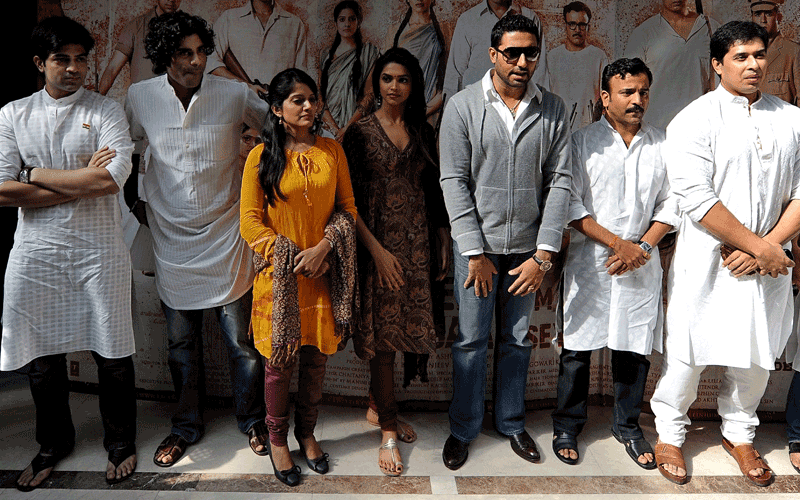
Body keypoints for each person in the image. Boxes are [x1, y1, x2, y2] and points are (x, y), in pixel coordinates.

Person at [651, 21, 800, 487]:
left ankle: (739, 434)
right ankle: (670, 433)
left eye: (759, 55)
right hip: (710, 261)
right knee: (688, 352)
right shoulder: (694, 119)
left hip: (767, 261)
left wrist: (767, 248)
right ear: (717, 64)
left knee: (757, 356)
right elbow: (696, 198)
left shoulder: (791, 118)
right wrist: (759, 246)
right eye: (741, 56)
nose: (754, 64)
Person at [124, 11, 270, 467]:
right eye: (184, 53)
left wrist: (262, 184)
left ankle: (252, 422)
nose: (195, 61)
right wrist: (137, 212)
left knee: (242, 344)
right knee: (181, 346)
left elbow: (278, 127)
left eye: (202, 51)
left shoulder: (233, 93)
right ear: (164, 55)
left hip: (227, 233)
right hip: (170, 240)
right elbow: (125, 154)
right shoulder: (139, 96)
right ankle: (185, 426)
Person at [0, 17, 136, 490]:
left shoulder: (107, 110)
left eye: (81, 58)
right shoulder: (13, 114)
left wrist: (33, 172)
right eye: (62, 59)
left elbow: (109, 178)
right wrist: (72, 183)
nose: (74, 67)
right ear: (40, 63)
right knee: (40, 357)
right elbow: (1, 189)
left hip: (99, 250)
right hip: (37, 252)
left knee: (112, 352)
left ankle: (120, 443)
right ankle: (53, 443)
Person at [439, 14, 571, 470]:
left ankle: (512, 423)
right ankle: (463, 428)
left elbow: (560, 182)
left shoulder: (553, 108)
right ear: (493, 54)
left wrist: (543, 254)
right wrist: (473, 251)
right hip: (477, 248)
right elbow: (453, 181)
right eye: (511, 52)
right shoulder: (462, 106)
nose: (520, 61)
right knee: (472, 340)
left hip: (526, 252)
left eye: (529, 53)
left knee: (516, 340)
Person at [552, 57, 678, 469]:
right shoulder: (582, 142)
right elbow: (570, 202)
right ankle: (568, 423)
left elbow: (672, 202)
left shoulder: (663, 144)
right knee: (577, 349)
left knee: (633, 349)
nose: (637, 99)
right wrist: (617, 244)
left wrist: (640, 246)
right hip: (592, 262)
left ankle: (627, 426)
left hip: (641, 263)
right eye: (627, 92)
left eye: (643, 91)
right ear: (604, 97)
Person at [240, 68, 358, 487]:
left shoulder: (332, 151)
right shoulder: (260, 157)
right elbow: (250, 223)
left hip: (323, 272)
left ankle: (307, 433)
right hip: (280, 280)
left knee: (316, 359)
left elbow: (347, 210)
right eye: (297, 100)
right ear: (276, 109)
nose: (308, 106)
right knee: (279, 363)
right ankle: (276, 440)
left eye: (312, 98)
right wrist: (290, 257)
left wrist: (325, 248)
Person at [343, 47, 450, 476]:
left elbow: (436, 188)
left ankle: (376, 405)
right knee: (382, 337)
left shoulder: (423, 131)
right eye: (387, 78)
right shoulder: (359, 133)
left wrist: (442, 235)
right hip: (376, 249)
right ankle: (387, 427)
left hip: (416, 246)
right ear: (376, 82)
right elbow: (346, 205)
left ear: (413, 85)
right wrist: (376, 252)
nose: (394, 87)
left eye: (402, 80)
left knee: (404, 329)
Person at [624, 0, 719, 130]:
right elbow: (627, 84)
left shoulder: (711, 28)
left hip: (700, 128)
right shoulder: (643, 33)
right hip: (656, 131)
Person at [443, 0, 548, 109]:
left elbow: (540, 71)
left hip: (519, 107)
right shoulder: (467, 20)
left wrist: (541, 109)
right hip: (476, 107)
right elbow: (455, 74)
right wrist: (449, 114)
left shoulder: (530, 18)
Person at [208, 0, 309, 96]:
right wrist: (247, 86)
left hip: (278, 107)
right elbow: (211, 62)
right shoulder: (228, 18)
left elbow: (301, 77)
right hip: (238, 103)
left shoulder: (295, 24)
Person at [319, 1, 379, 141]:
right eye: (342, 19)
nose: (347, 24)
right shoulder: (325, 54)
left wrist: (347, 128)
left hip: (356, 127)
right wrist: (335, 130)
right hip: (327, 129)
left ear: (359, 22)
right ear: (336, 23)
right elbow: (320, 98)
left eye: (352, 19)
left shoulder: (369, 53)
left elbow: (369, 96)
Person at [98, 0, 181, 95]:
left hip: (175, 104)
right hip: (141, 103)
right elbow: (112, 69)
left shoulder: (188, 29)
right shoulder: (135, 27)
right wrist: (95, 103)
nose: (171, 0)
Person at [546, 1, 608, 131]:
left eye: (582, 25)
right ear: (565, 26)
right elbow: (546, 94)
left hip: (590, 129)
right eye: (572, 24)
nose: (577, 30)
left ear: (588, 27)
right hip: (559, 128)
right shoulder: (552, 57)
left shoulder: (598, 56)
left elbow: (606, 96)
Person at [750, 0, 799, 105]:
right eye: (758, 14)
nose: (763, 20)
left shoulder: (793, 51)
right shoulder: (744, 52)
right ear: (752, 18)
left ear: (779, 17)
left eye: (768, 14)